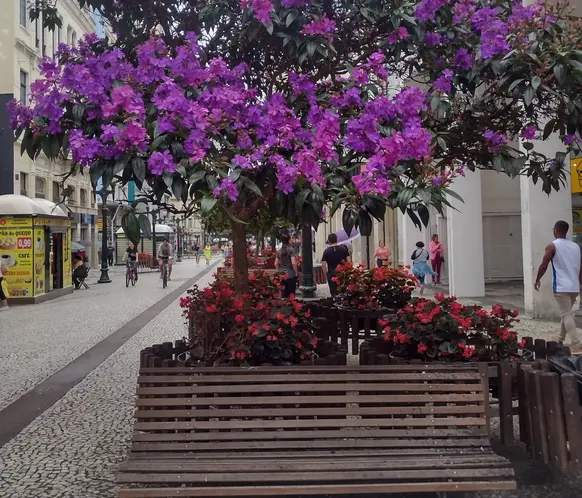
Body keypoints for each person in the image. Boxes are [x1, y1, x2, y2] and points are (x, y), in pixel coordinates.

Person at [534, 220, 582, 353]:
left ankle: (576, 344)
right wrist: (580, 283)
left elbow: (544, 265)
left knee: (567, 315)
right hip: (574, 286)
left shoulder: (552, 246)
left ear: (556, 230)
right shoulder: (576, 246)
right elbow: (580, 267)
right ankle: (560, 338)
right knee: (566, 313)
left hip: (561, 286)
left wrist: (537, 279)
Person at [321, 233, 351, 297]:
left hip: (331, 275)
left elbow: (323, 265)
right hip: (342, 274)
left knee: (333, 293)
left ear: (329, 241)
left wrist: (326, 274)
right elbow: (349, 262)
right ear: (336, 240)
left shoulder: (326, 251)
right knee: (342, 292)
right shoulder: (344, 249)